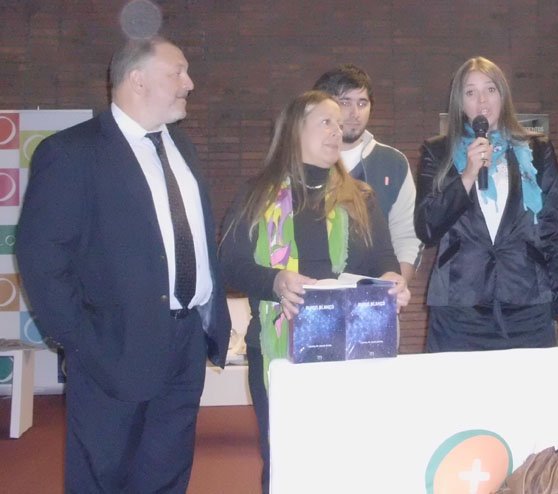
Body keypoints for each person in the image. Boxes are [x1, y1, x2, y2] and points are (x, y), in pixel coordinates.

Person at [16, 36, 231, 492]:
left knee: (167, 474)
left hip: (185, 343)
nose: (190, 83)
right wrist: (80, 340)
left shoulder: (182, 146)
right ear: (137, 79)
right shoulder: (72, 152)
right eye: (178, 72)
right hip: (112, 349)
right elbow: (42, 257)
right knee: (103, 477)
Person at [219, 90, 410, 493]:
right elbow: (229, 264)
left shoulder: (360, 197)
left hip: (353, 348)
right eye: (326, 122)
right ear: (294, 130)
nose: (337, 131)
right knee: (286, 460)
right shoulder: (257, 195)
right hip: (279, 348)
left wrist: (393, 279)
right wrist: (275, 281)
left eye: (339, 125)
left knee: (348, 460)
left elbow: (382, 259)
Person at [415, 56, 558, 352]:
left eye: (490, 89)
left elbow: (555, 231)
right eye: (470, 92)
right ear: (459, 102)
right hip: (459, 308)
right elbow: (427, 227)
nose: (482, 100)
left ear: (503, 96)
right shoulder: (438, 151)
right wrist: (467, 175)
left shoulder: (536, 149)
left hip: (526, 303)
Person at [313, 64, 421, 283]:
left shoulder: (393, 163)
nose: (355, 113)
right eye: (345, 102)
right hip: (314, 292)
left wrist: (394, 288)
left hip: (376, 294)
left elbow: (407, 236)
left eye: (362, 103)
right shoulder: (305, 162)